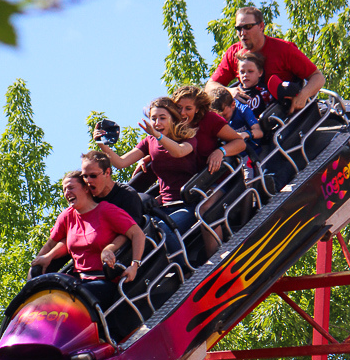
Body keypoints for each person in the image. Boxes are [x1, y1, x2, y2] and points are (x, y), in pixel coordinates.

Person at [93, 97, 200, 250]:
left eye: (162, 118)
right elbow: (121, 163)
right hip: (164, 205)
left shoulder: (187, 137)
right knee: (141, 231)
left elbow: (179, 152)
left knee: (163, 230)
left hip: (189, 203)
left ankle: (181, 262)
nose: (157, 123)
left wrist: (159, 136)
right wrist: (102, 145)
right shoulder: (150, 141)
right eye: (153, 119)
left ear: (173, 119)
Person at [30, 171, 146, 311]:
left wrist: (134, 265)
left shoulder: (106, 210)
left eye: (71, 187)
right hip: (78, 281)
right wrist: (38, 268)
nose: (67, 193)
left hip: (103, 281)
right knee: (48, 299)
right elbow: (52, 244)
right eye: (64, 190)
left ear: (85, 188)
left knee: (71, 299)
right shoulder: (67, 216)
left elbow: (138, 234)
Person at [171, 86, 246, 258]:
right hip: (192, 186)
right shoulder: (174, 126)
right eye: (179, 108)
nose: (182, 113)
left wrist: (221, 151)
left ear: (197, 109)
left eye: (188, 108)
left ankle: (216, 259)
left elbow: (239, 142)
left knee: (205, 210)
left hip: (217, 179)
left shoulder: (209, 119)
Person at [205, 6, 324, 113]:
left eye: (248, 27)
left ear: (261, 26)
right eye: (238, 28)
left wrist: (303, 95)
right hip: (249, 116)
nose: (242, 33)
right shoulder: (234, 52)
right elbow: (210, 86)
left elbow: (318, 77)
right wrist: (229, 91)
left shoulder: (284, 49)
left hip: (282, 115)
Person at [80, 150, 143, 225]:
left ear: (107, 172)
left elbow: (134, 230)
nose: (88, 180)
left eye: (93, 176)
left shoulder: (127, 197)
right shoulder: (86, 200)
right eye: (85, 176)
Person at [209, 86, 263, 156]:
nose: (222, 119)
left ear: (233, 104)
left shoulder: (243, 110)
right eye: (219, 117)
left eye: (225, 115)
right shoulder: (217, 117)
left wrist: (245, 134)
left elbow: (259, 132)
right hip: (234, 152)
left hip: (253, 149)